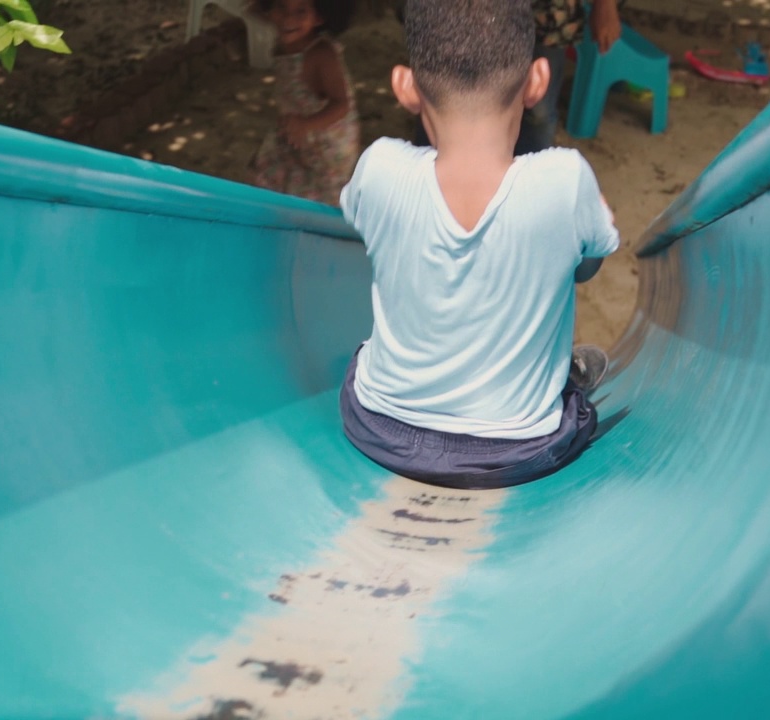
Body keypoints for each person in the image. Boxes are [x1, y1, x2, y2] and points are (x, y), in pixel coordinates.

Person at [339, 0, 620, 490]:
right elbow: (588, 266)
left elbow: (362, 226)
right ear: (537, 81)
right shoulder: (565, 179)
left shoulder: (378, 168)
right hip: (519, 450)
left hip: (379, 429)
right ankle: (566, 375)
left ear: (405, 86)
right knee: (569, 395)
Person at [406, 0, 621, 155]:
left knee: (539, 114)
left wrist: (605, 4)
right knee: (444, 92)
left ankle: (527, 183)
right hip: (462, 11)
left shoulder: (379, 163)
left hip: (546, 15)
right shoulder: (571, 178)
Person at [249, 0, 359, 206]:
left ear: (320, 15)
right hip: (297, 133)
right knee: (266, 176)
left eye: (301, 11)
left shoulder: (322, 55)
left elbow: (341, 105)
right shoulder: (285, 42)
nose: (289, 18)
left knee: (309, 205)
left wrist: (306, 124)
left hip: (327, 150)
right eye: (281, 6)